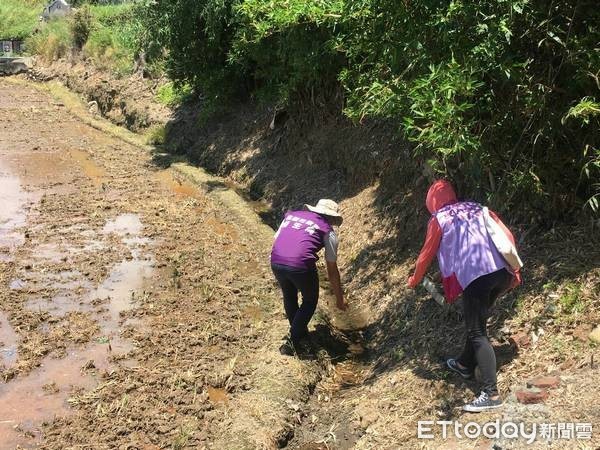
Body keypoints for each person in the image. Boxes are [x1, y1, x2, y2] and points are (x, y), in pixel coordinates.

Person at [408, 180, 521, 412]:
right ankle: (464, 364)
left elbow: (425, 255)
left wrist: (414, 280)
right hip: (499, 271)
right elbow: (503, 234)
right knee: (476, 323)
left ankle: (491, 394)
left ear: (432, 202)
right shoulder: (476, 207)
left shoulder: (439, 218)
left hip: (476, 276)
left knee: (477, 332)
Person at [271, 199, 348, 355]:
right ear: (332, 218)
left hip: (276, 260)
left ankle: (299, 332)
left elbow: (277, 239)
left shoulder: (292, 216)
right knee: (310, 300)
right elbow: (332, 270)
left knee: (289, 295)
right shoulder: (328, 232)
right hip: (300, 264)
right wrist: (339, 299)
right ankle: (292, 343)